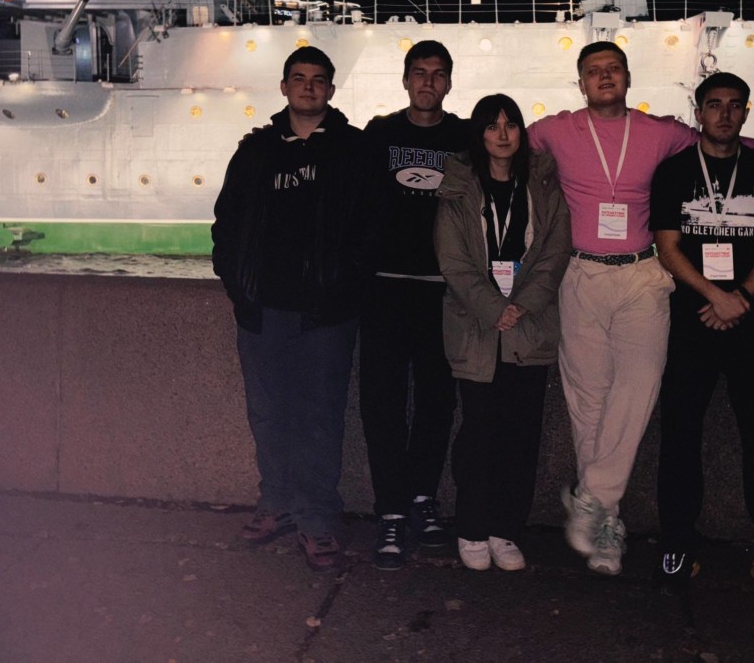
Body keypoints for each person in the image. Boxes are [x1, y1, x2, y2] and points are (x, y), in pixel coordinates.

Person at [529, 41, 754, 576]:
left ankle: (592, 499)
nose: (605, 77)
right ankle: (604, 524)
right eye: (593, 71)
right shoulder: (553, 130)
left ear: (628, 77)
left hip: (640, 273)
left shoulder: (660, 132)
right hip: (579, 273)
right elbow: (501, 142)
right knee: (587, 402)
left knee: (639, 387)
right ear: (580, 83)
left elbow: (721, 136)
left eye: (613, 68)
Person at [650, 71, 754, 606]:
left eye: (735, 105)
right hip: (691, 320)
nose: (724, 114)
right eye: (715, 104)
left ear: (746, 112)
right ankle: (677, 543)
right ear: (698, 112)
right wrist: (713, 297)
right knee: (679, 437)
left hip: (752, 324)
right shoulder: (674, 171)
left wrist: (738, 296)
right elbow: (668, 248)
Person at [211, 46, 371, 574]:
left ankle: (317, 519)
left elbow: (371, 230)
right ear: (284, 87)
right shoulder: (255, 152)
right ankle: (276, 502)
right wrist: (239, 288)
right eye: (298, 78)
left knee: (319, 417)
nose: (308, 87)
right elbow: (226, 224)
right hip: (262, 311)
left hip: (325, 315)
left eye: (318, 79)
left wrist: (342, 291)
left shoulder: (352, 150)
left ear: (331, 89)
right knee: (268, 413)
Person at [433, 95, 571, 572]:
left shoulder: (542, 184)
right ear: (480, 134)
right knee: (479, 432)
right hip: (477, 327)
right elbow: (452, 260)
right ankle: (471, 526)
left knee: (521, 435)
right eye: (492, 126)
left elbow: (556, 250)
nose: (503, 134)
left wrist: (522, 304)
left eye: (511, 124)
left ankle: (505, 528)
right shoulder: (459, 186)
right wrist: (495, 308)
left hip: (529, 326)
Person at [360, 40, 468, 570]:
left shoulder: (464, 137)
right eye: (419, 73)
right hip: (384, 288)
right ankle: (390, 509)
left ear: (448, 82)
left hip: (440, 290)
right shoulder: (379, 133)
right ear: (405, 80)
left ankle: (423, 498)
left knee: (435, 401)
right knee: (381, 403)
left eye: (438, 74)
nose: (428, 82)